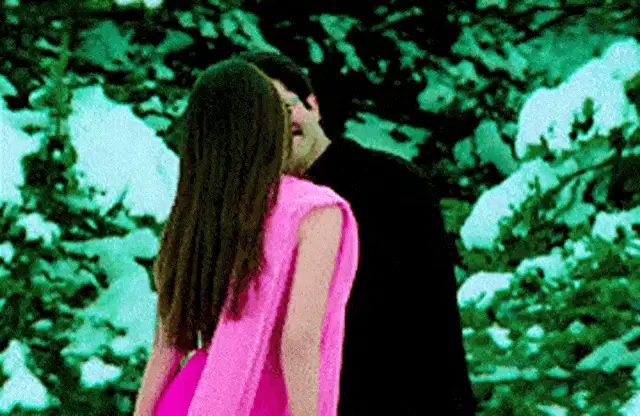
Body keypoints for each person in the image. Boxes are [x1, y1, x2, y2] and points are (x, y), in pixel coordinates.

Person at [235, 51, 477, 415]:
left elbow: (436, 325)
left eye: (284, 107)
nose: (279, 126)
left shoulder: (393, 184)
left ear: (313, 105)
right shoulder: (253, 213)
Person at [133, 59, 360, 416]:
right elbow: (299, 340)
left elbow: (166, 345)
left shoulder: (194, 216)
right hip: (263, 401)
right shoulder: (314, 211)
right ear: (269, 125)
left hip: (186, 397)